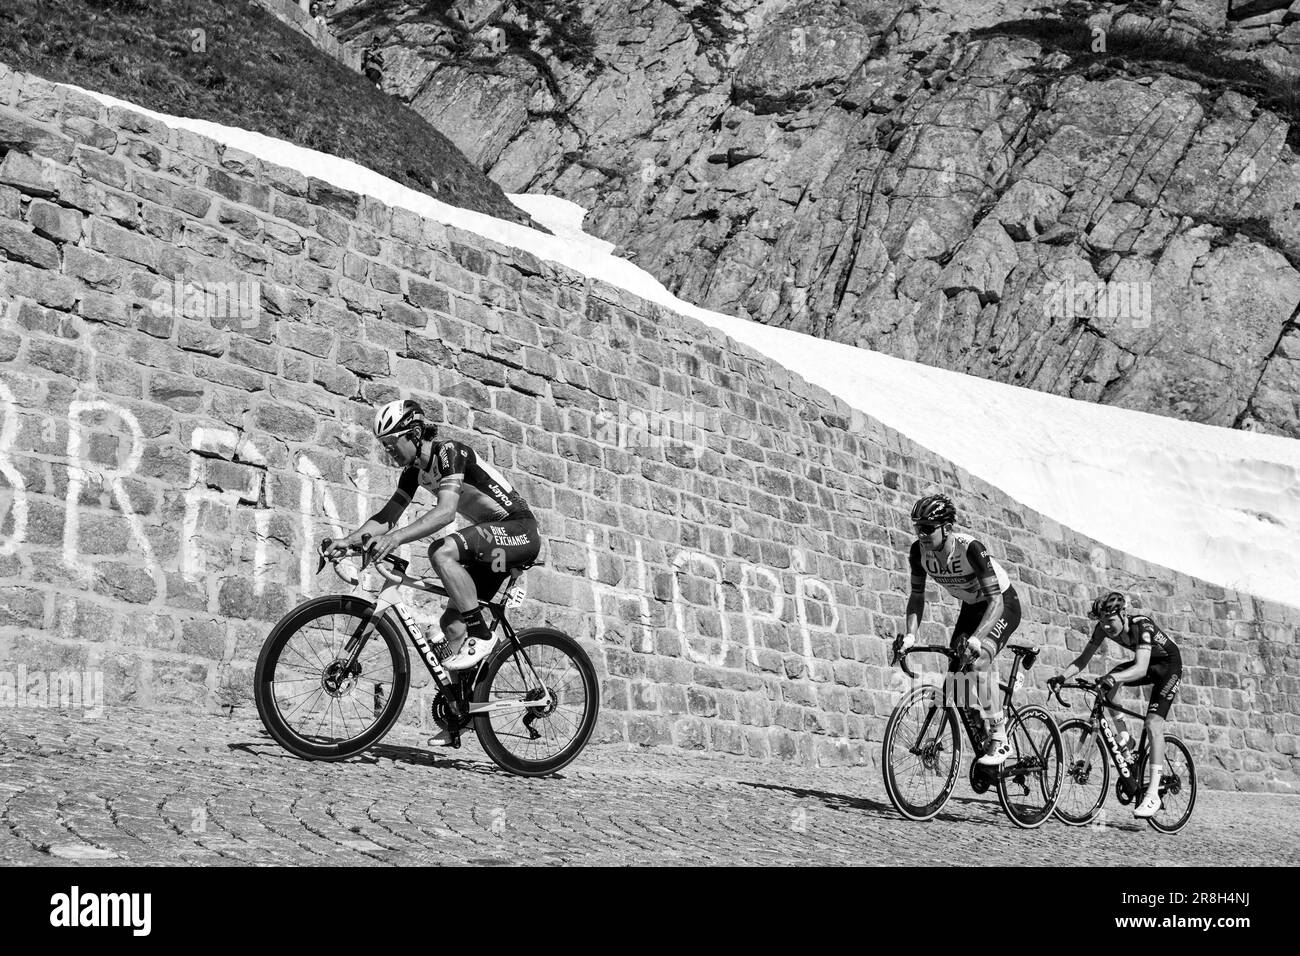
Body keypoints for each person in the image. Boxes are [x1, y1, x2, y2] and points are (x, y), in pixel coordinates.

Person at [327, 398, 541, 676]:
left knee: (441, 551)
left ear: (415, 434)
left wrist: (395, 539)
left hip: (519, 529)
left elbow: (445, 512)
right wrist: (349, 541)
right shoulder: (413, 473)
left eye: (392, 442)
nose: (389, 450)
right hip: (493, 543)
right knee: (452, 624)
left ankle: (483, 636)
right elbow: (387, 516)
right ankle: (465, 711)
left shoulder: (449, 453)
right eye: (384, 445)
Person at [899, 494, 1023, 765]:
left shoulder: (970, 549)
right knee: (957, 674)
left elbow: (996, 601)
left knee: (977, 664)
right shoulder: (918, 554)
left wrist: (978, 641)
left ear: (946, 527)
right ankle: (981, 736)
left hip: (1001, 603)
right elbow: (917, 596)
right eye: (917, 527)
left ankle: (1000, 736)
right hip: (972, 606)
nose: (922, 534)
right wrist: (910, 636)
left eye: (928, 528)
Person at [1047, 592, 1183, 818]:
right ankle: (1125, 737)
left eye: (1110, 621)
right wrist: (1062, 677)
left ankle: (1152, 795)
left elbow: (1139, 668)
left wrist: (1115, 678)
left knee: (1152, 723)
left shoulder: (1143, 627)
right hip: (1148, 664)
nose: (1106, 627)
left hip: (1168, 667)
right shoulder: (1102, 628)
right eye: (1101, 622)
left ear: (1123, 614)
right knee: (1106, 684)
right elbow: (1083, 660)